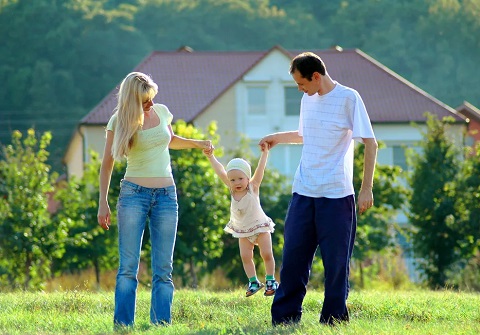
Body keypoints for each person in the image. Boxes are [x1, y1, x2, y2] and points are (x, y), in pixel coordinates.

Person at [259, 52, 378, 326]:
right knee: (293, 260)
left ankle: (333, 320)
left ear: (316, 76)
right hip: (303, 192)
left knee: (336, 265)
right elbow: (305, 134)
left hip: (337, 197)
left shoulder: (349, 98)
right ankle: (285, 318)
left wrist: (366, 188)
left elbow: (370, 143)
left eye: (301, 83)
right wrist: (277, 138)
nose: (299, 89)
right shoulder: (307, 99)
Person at [97, 72, 212, 327]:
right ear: (132, 100)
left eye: (151, 99)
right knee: (128, 269)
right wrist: (102, 201)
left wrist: (198, 143)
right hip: (133, 195)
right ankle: (123, 327)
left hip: (166, 197)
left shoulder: (161, 111)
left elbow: (171, 140)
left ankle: (161, 326)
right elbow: (107, 164)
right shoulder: (119, 121)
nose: (150, 104)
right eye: (144, 101)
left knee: (164, 270)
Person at [203, 143, 278, 297]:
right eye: (233, 180)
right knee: (245, 256)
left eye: (240, 178)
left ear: (247, 177)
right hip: (243, 230)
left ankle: (270, 280)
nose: (236, 182)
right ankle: (253, 281)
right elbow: (220, 171)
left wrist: (265, 153)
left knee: (266, 254)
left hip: (260, 227)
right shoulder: (231, 189)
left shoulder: (253, 187)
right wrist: (211, 156)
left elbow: (260, 170)